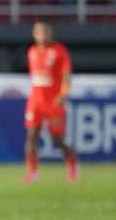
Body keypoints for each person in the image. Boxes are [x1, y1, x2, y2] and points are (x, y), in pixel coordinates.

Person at [24, 21, 79, 182]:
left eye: (44, 32)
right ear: (34, 34)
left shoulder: (59, 51)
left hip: (54, 102)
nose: (42, 35)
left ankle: (72, 163)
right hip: (35, 102)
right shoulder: (32, 51)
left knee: (57, 140)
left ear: (50, 33)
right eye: (38, 32)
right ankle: (32, 172)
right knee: (31, 136)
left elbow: (66, 75)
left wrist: (64, 93)